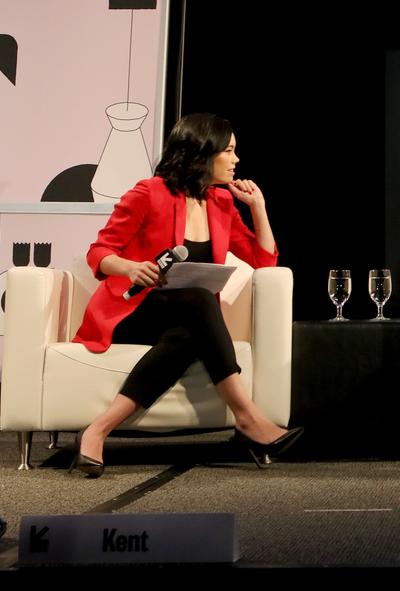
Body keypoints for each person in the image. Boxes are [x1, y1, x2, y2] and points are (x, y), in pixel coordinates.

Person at [71, 113, 302, 477]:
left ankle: (97, 430)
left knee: (188, 331)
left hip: (183, 318)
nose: (236, 160)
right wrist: (131, 267)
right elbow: (99, 252)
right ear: (203, 153)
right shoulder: (149, 192)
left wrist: (258, 209)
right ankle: (247, 418)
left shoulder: (222, 203)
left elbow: (263, 260)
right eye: (229, 151)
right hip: (134, 311)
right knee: (200, 300)